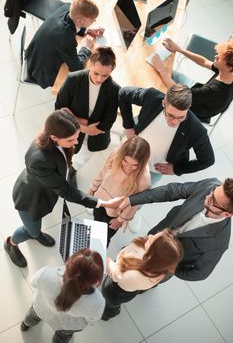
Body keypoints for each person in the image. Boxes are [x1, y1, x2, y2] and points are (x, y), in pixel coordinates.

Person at [4, 109, 123, 268]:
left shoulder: (53, 140)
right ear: (54, 137)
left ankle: (36, 233)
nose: (76, 143)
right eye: (71, 140)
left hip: (43, 191)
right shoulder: (39, 160)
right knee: (30, 230)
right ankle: (12, 243)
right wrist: (103, 203)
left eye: (77, 137)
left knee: (35, 227)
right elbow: (66, 191)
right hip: (30, 199)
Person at [119, 178, 233, 281]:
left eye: (213, 201)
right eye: (214, 191)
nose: (208, 195)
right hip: (152, 238)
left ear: (227, 214)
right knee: (125, 258)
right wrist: (131, 200)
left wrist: (172, 269)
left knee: (137, 283)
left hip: (162, 265)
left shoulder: (219, 242)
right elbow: (171, 191)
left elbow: (200, 273)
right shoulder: (209, 185)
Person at [119, 83, 215, 184]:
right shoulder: (152, 97)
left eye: (181, 117)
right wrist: (128, 126)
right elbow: (124, 93)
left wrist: (177, 169)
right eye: (170, 115)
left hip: (152, 171)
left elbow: (207, 160)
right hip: (127, 153)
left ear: (189, 107)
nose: (174, 122)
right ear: (164, 102)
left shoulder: (196, 129)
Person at [55, 46, 120, 188]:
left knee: (81, 158)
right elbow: (59, 109)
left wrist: (73, 116)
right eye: (96, 73)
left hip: (94, 138)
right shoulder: (73, 80)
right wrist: (84, 126)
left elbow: (107, 123)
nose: (99, 79)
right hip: (73, 130)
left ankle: (72, 171)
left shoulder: (114, 89)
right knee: (63, 152)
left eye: (105, 75)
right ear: (90, 63)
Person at [20, 249, 105, 343]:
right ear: (96, 282)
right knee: (62, 337)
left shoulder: (46, 273)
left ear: (69, 262)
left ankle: (25, 325)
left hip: (41, 309)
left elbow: (33, 283)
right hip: (68, 325)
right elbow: (92, 319)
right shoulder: (98, 303)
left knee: (32, 316)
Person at [101, 229, 183, 320]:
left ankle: (107, 315)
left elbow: (115, 273)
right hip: (130, 280)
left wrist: (108, 263)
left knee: (110, 302)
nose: (150, 236)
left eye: (152, 240)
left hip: (117, 290)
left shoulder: (132, 275)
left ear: (153, 255)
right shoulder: (161, 266)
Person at [25, 0, 104, 89]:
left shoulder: (67, 8)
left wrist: (87, 30)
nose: (94, 21)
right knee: (84, 81)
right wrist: (86, 47)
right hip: (39, 70)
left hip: (33, 54)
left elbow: (72, 24)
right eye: (93, 20)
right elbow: (77, 67)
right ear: (80, 21)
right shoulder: (66, 37)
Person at [152, 38, 233, 123]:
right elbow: (204, 62)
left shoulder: (214, 91)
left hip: (190, 108)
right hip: (196, 92)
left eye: (219, 58)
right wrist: (179, 49)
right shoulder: (227, 72)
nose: (215, 56)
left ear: (229, 67)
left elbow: (179, 94)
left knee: (159, 81)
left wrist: (161, 70)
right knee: (165, 70)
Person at [88, 136, 151, 246]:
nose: (127, 168)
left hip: (116, 212)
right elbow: (102, 172)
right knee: (95, 222)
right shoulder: (116, 153)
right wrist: (92, 190)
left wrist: (120, 220)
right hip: (101, 198)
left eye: (134, 165)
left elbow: (134, 204)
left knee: (104, 237)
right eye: (125, 161)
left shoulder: (144, 179)